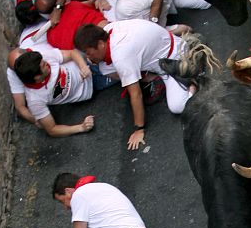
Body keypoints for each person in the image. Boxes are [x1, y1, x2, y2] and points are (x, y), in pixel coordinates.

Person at [73, 21, 197, 149]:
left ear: (100, 44)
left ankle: (190, 81)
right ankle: (150, 77)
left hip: (174, 58)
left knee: (178, 106)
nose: (88, 58)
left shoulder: (121, 55)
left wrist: (139, 129)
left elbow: (136, 94)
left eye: (88, 52)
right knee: (105, 69)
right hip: (159, 52)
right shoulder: (108, 30)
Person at [11, 46, 114, 135]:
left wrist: (83, 67)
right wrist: (81, 127)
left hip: (89, 64)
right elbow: (52, 129)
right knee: (124, 75)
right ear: (37, 77)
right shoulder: (35, 100)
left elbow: (72, 53)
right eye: (43, 66)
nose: (46, 63)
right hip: (92, 86)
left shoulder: (42, 58)